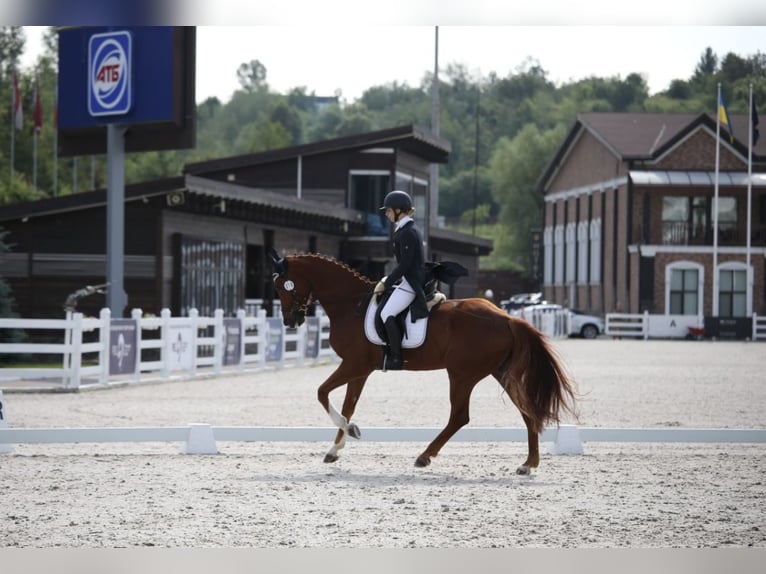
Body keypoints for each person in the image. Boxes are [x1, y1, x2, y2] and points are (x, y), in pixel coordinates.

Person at [378, 190, 427, 371]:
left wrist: (387, 282)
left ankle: (396, 358)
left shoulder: (407, 232)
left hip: (411, 282)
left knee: (386, 314)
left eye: (389, 210)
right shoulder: (406, 229)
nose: (386, 214)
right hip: (408, 280)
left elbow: (405, 264)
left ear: (399, 210)